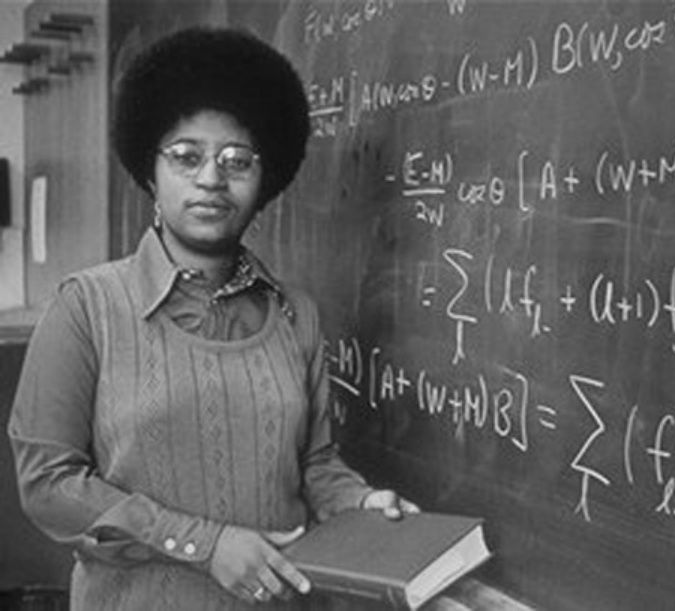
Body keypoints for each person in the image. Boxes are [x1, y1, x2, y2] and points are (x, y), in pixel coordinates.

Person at [7, 26, 418, 611]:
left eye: (237, 161)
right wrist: (204, 544)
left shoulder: (296, 314)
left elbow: (314, 465)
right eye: (186, 156)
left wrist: (357, 502)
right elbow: (48, 483)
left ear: (266, 179)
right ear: (150, 171)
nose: (211, 179)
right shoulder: (86, 307)